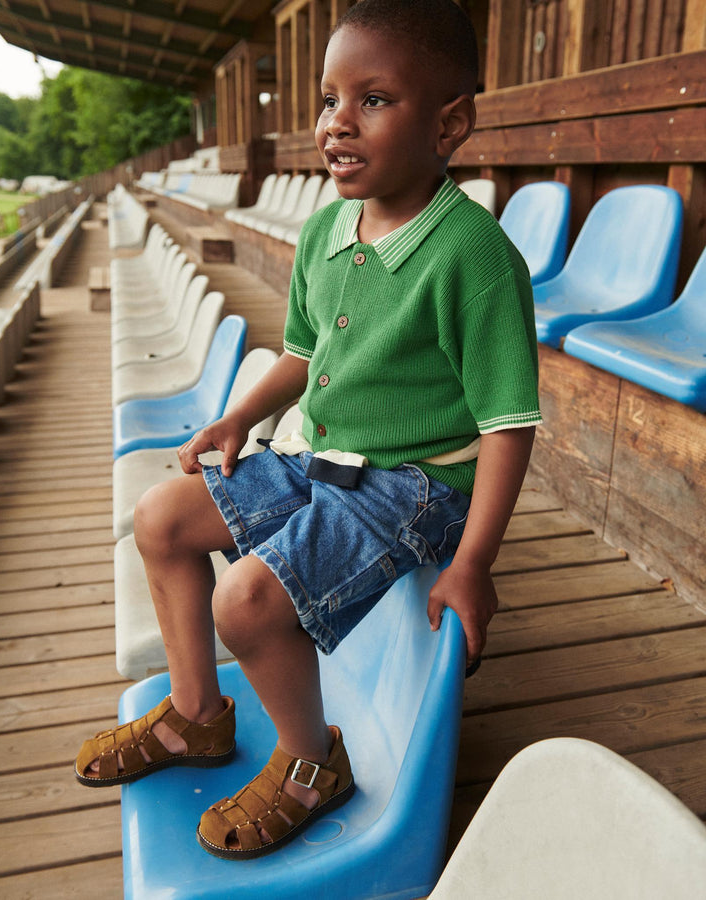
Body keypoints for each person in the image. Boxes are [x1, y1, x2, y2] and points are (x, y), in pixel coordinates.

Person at [74, 0, 542, 860]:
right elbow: (302, 352)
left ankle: (308, 763)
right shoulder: (329, 228)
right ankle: (195, 717)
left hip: (416, 483)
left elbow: (509, 427)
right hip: (319, 453)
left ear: (450, 124)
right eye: (329, 100)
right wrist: (239, 416)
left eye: (374, 100)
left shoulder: (473, 255)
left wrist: (473, 564)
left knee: (245, 602)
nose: (337, 123)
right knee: (162, 520)